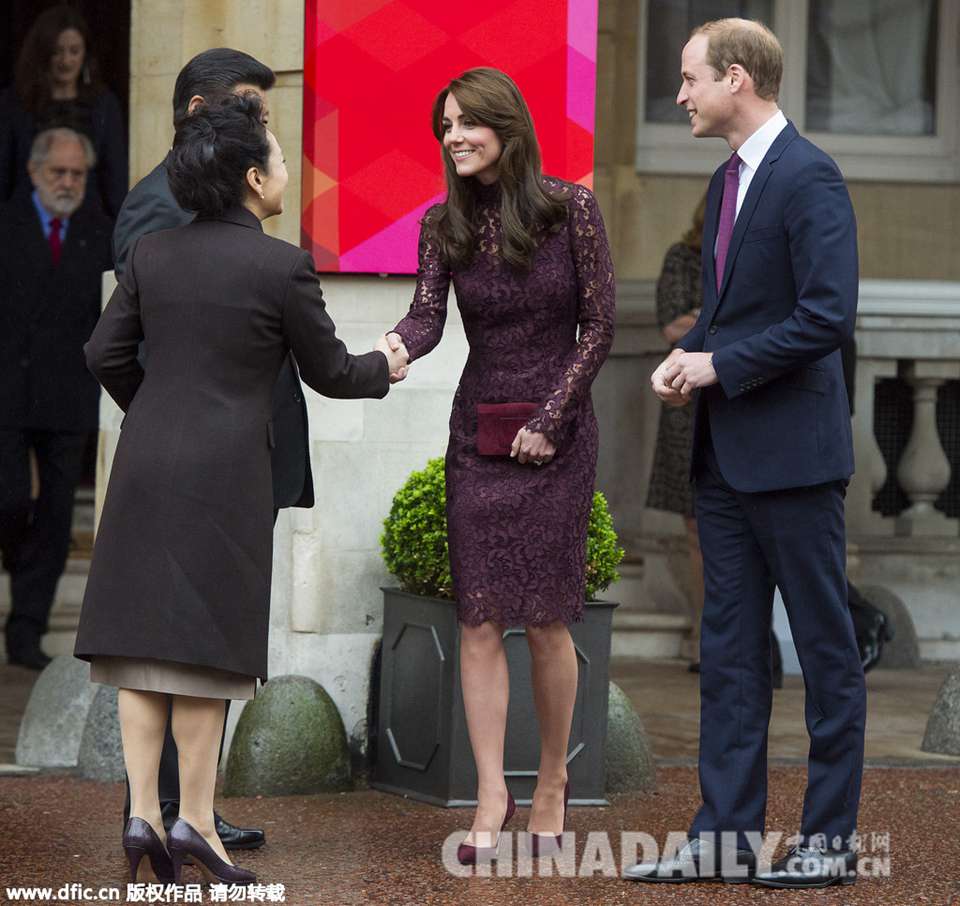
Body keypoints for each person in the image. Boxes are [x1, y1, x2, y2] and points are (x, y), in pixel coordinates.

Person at [73, 93, 406, 885]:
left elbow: (101, 353)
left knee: (141, 645)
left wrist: (153, 413)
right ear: (254, 180)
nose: (289, 170)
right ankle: (194, 820)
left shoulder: (151, 255)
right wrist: (386, 365)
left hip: (147, 462)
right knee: (210, 651)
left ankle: (142, 817)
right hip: (226, 476)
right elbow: (330, 373)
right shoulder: (280, 264)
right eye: (282, 159)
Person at [626, 19, 865, 889]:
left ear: (736, 78)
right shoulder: (729, 179)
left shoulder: (810, 175)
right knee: (728, 659)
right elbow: (744, 310)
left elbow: (826, 317)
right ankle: (725, 839)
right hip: (724, 464)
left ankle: (829, 842)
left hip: (795, 460)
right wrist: (691, 363)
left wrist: (718, 362)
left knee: (825, 654)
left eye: (689, 80)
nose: (681, 95)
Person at [383, 67, 615, 864]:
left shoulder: (568, 208)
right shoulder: (440, 223)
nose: (453, 136)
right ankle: (491, 791)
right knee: (477, 618)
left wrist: (552, 419)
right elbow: (424, 316)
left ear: (504, 126)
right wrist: (389, 350)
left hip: (559, 435)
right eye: (444, 125)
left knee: (548, 621)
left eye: (466, 122)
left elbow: (600, 326)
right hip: (477, 438)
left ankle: (551, 781)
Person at [110, 47, 294, 853]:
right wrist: (171, 419)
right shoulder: (158, 214)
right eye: (254, 112)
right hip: (194, 464)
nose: (266, 131)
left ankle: (186, 813)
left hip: (210, 453)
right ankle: (165, 815)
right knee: (174, 639)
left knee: (191, 634)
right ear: (201, 114)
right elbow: (149, 345)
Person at [0, 127, 112, 670]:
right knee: (11, 499)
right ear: (33, 172)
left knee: (55, 517)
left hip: (69, 396)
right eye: (58, 173)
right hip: (7, 393)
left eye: (78, 174)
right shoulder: (7, 226)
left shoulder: (101, 234)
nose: (68, 183)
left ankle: (26, 633)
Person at [645, 198, 704, 671]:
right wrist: (721, 313)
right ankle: (703, 631)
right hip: (687, 399)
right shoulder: (682, 257)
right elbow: (672, 326)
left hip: (736, 393)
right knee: (695, 525)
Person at [0, 5, 127, 217]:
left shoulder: (103, 105)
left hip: (90, 225)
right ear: (42, 54)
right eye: (57, 51)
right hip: (24, 225)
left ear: (85, 54)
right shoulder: (14, 103)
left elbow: (115, 179)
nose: (66, 60)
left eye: (74, 51)